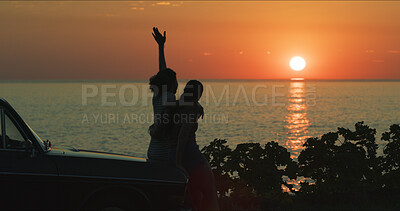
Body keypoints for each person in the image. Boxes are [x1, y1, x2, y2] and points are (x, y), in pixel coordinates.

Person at [169, 80, 219, 210]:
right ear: (198, 94)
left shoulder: (178, 106)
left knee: (194, 196)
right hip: (191, 155)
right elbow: (183, 136)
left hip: (183, 153)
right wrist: (178, 162)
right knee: (210, 193)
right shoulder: (192, 109)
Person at [147, 27, 178, 163]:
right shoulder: (169, 97)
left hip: (153, 149)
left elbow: (162, 73)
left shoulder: (158, 96)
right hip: (164, 152)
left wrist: (161, 46)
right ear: (171, 83)